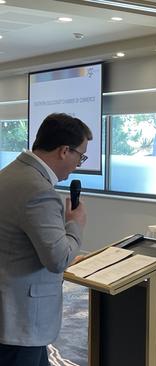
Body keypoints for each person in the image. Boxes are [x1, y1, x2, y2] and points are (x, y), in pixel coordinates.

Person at [0, 113, 91, 366]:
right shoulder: (39, 190)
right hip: (22, 319)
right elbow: (58, 259)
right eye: (80, 156)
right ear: (64, 151)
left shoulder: (8, 174)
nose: (78, 164)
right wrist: (76, 224)